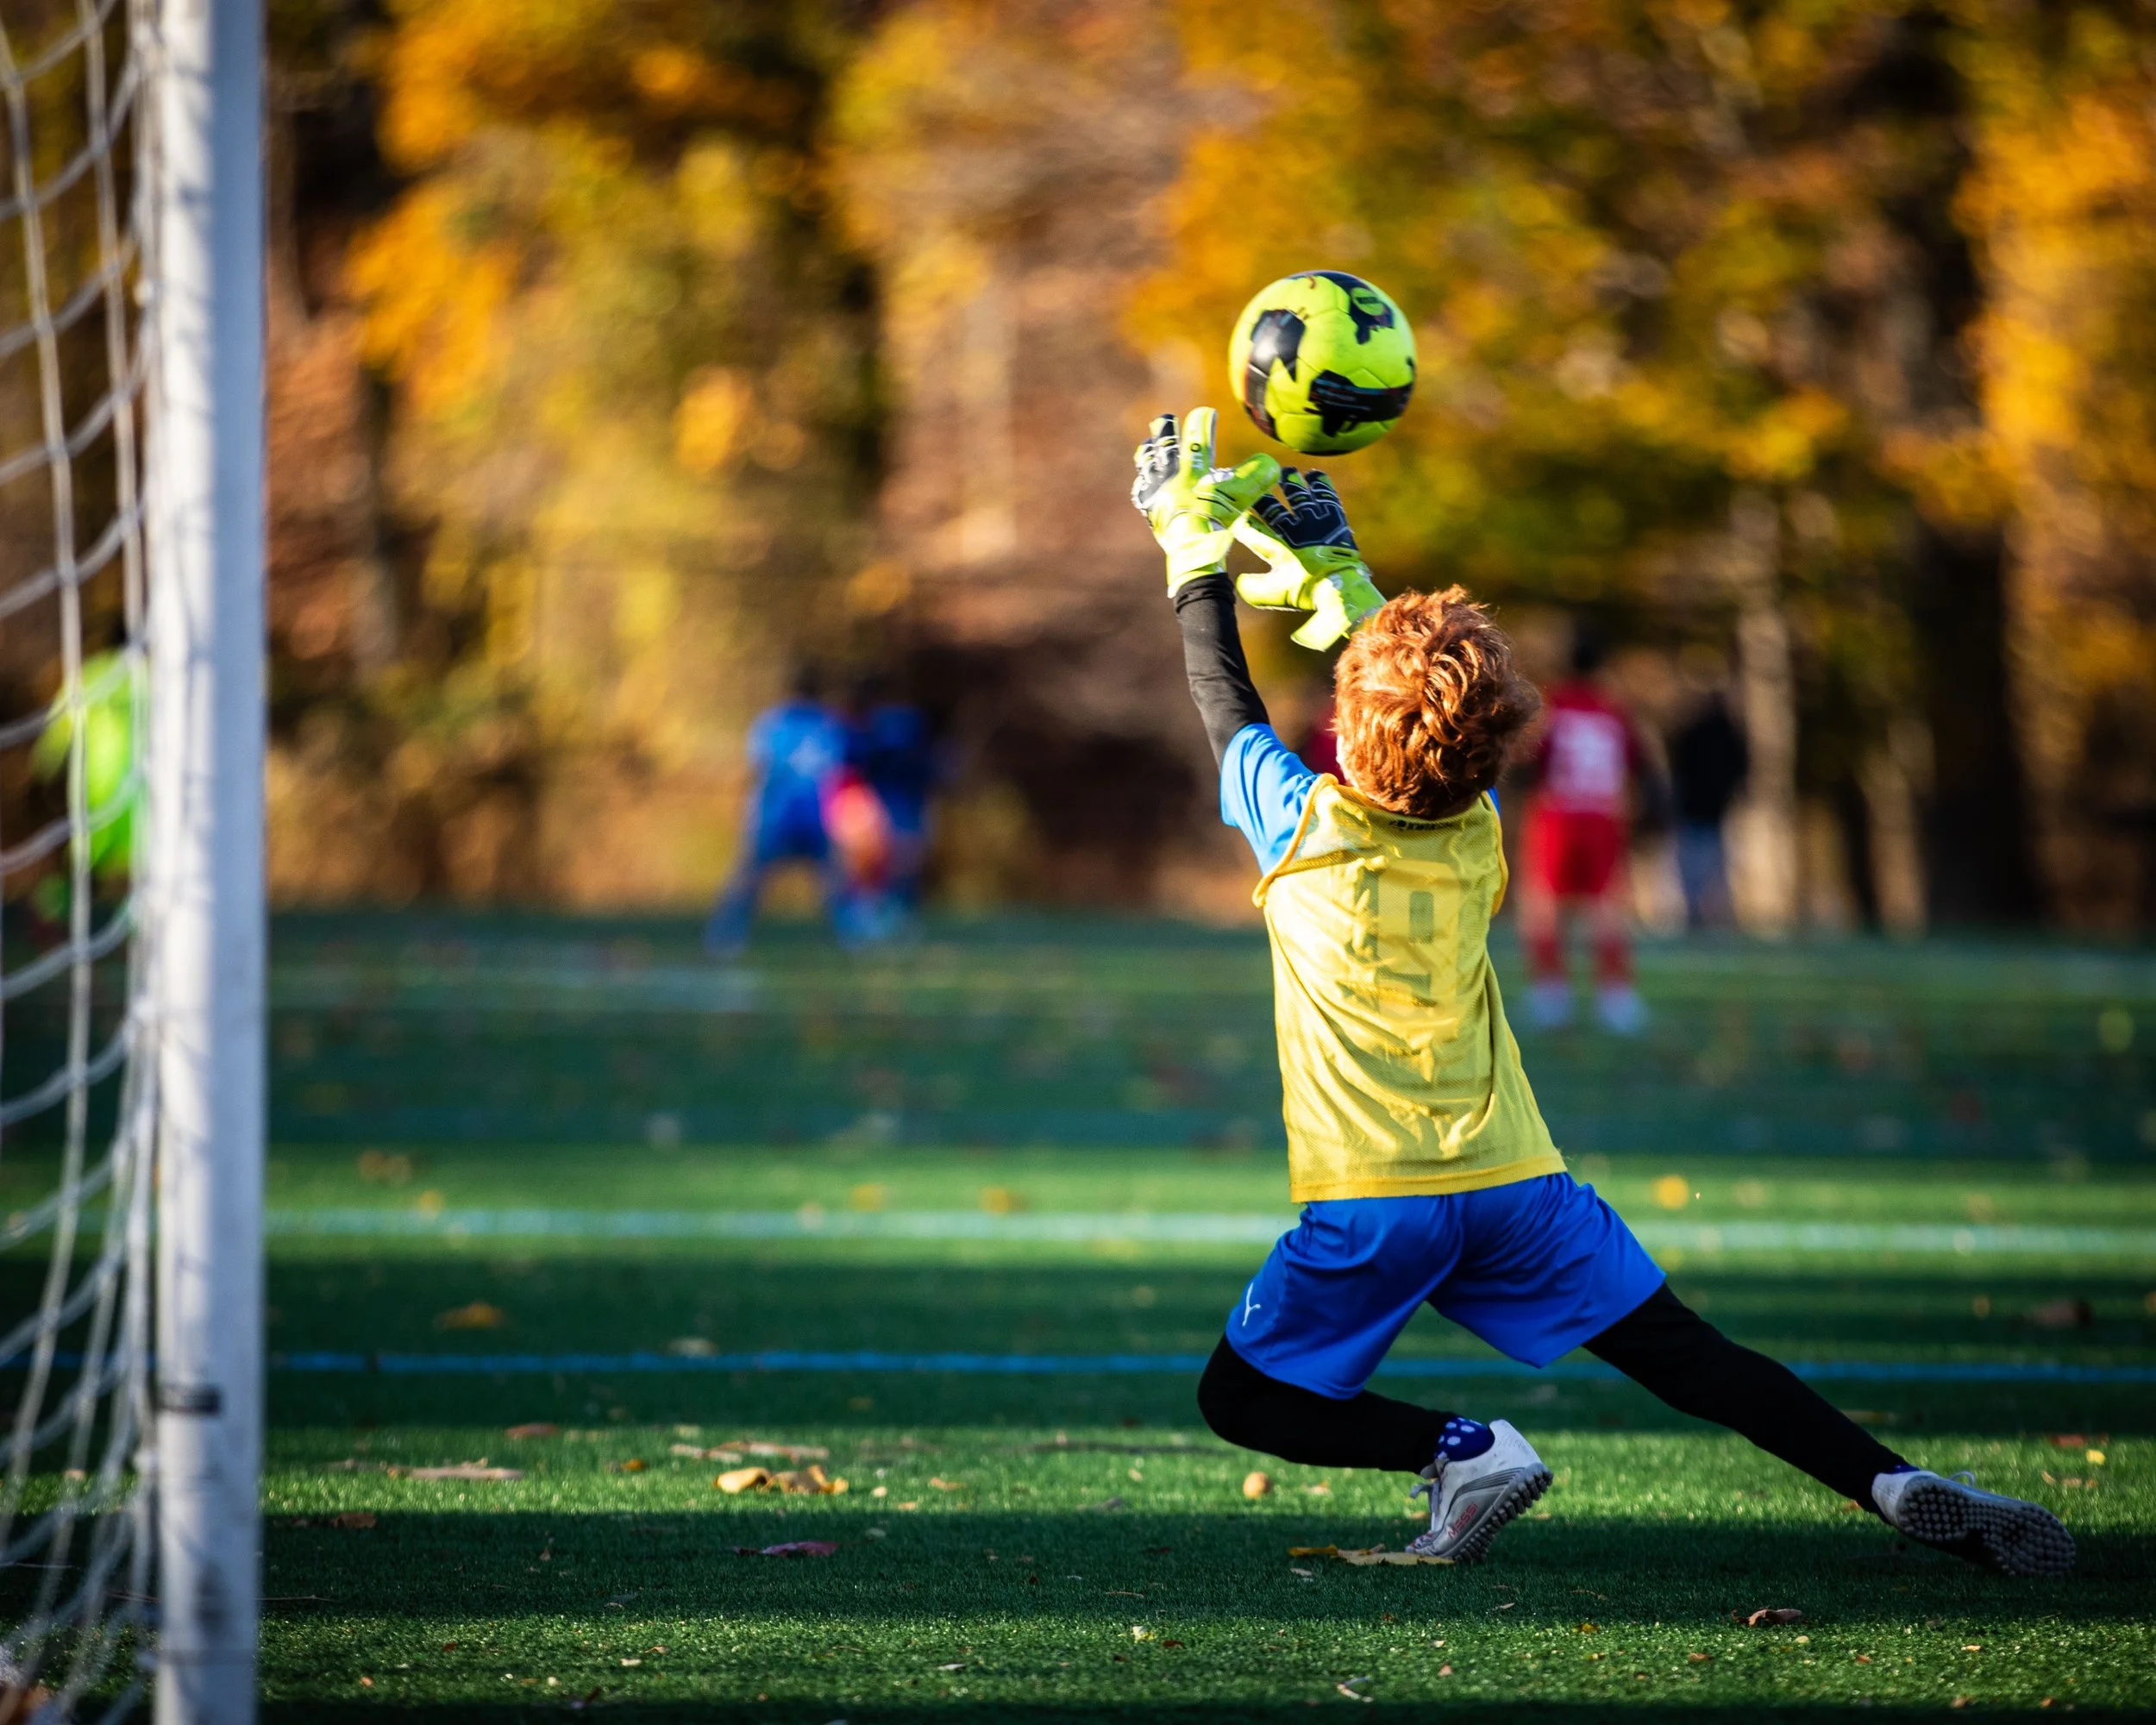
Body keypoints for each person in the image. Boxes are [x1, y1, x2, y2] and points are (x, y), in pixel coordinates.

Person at [1130, 405, 2072, 1575]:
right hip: (1518, 1178)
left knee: (1243, 1401)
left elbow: (1225, 696)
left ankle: (1462, 1450)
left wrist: (1191, 547)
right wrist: (1338, 565)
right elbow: (1423, 705)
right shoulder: (1477, 831)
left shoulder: (1304, 828)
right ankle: (1887, 1480)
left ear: (1350, 724)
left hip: (1379, 1197)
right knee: (1690, 1355)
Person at [1517, 631, 1660, 1034]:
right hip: (1602, 817)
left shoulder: (1552, 707)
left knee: (1544, 905)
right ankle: (1615, 998)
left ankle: (1551, 994)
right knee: (1607, 908)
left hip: (1557, 816)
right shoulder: (1615, 711)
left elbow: (1531, 762)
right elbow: (1641, 765)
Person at [704, 669, 851, 956]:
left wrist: (748, 811)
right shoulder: (828, 725)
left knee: (751, 876)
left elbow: (759, 768)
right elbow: (835, 773)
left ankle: (726, 936)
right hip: (813, 816)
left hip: (777, 815)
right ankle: (852, 936)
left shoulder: (773, 722)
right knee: (833, 877)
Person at [846, 687, 939, 929]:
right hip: (890, 801)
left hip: (893, 800)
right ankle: (878, 915)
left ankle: (890, 914)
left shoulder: (889, 723)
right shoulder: (899, 723)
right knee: (889, 862)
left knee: (896, 861)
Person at [1668, 687, 1748, 929]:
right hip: (1709, 811)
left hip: (1702, 811)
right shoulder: (1726, 734)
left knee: (1700, 866)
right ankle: (1709, 915)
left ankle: (1704, 914)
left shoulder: (1701, 732)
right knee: (1712, 866)